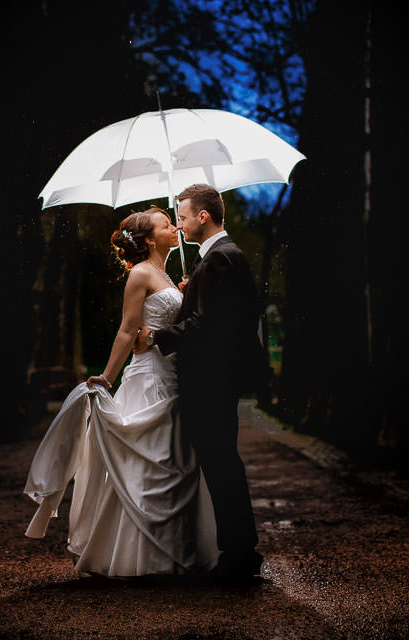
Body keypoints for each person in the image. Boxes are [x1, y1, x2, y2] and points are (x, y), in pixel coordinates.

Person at [22, 207, 218, 578]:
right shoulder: (140, 274)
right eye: (165, 225)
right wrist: (108, 378)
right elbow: (128, 330)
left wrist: (185, 295)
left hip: (176, 376)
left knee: (179, 461)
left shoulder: (166, 274)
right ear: (149, 239)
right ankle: (141, 557)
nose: (175, 227)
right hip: (150, 378)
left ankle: (178, 550)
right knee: (151, 461)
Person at [134, 184, 264, 581]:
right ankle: (239, 551)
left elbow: (207, 326)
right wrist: (192, 293)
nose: (180, 224)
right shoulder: (222, 257)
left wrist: (156, 337)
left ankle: (238, 555)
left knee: (220, 463)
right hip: (219, 377)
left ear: (203, 216)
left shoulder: (219, 258)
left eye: (184, 216)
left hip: (211, 380)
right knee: (222, 461)